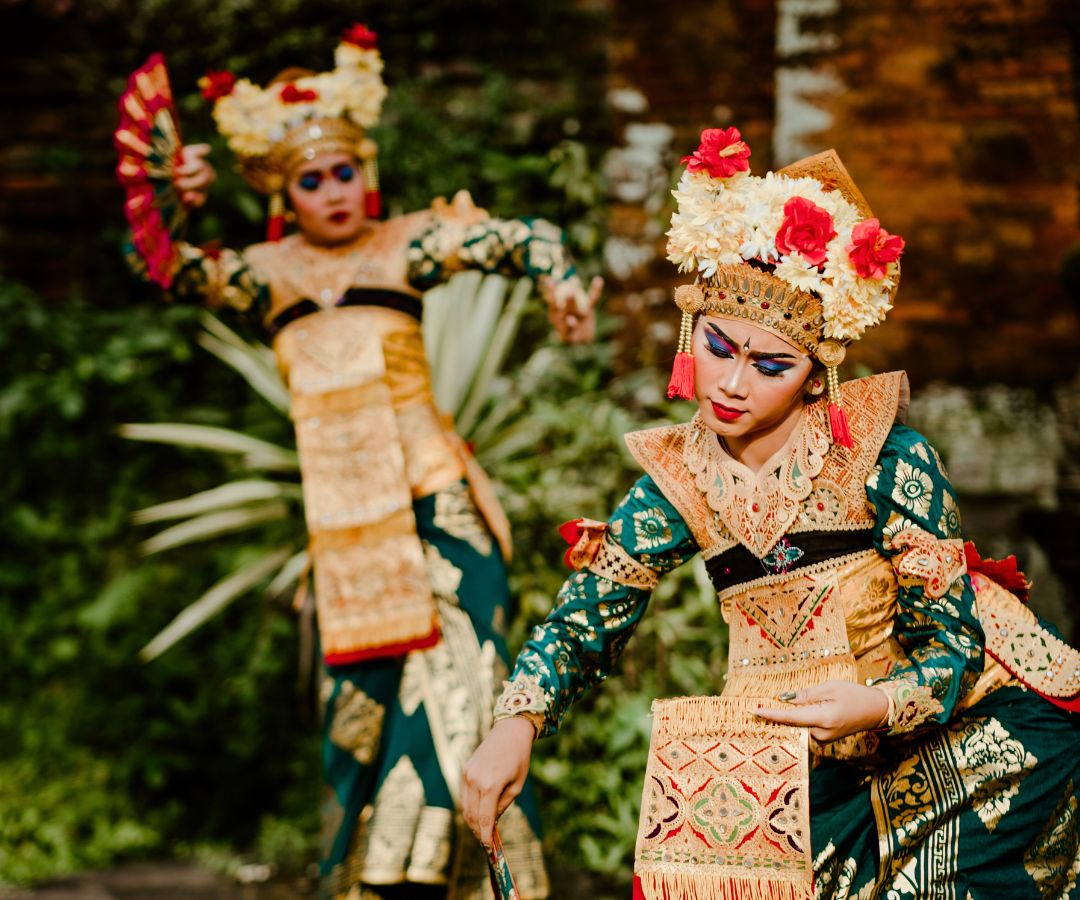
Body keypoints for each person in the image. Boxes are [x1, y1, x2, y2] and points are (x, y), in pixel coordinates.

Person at [462, 128, 1080, 899]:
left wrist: (878, 703)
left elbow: (953, 644)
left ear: (815, 376)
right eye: (720, 349)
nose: (732, 385)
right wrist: (514, 723)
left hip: (971, 726)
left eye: (771, 365)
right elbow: (588, 618)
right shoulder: (679, 477)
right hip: (803, 750)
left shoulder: (886, 457)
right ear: (696, 331)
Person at [117, 24, 604, 900]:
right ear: (283, 192)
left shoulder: (405, 247)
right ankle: (369, 882)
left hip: (439, 507)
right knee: (362, 718)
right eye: (311, 179)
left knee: (470, 687)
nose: (333, 192)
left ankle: (477, 881)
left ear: (365, 174)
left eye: (344, 172)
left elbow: (522, 238)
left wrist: (561, 283)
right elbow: (155, 264)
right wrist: (180, 201)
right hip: (348, 533)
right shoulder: (262, 274)